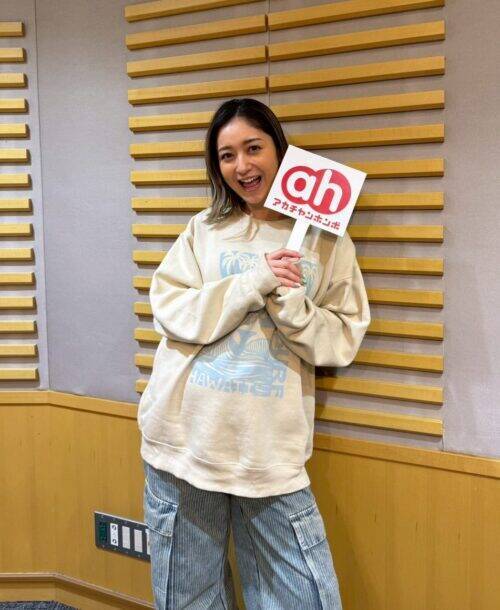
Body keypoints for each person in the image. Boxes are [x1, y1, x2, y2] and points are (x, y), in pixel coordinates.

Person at [138, 98, 370, 610]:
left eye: (253, 148)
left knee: (304, 598)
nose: (241, 165)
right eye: (226, 155)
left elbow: (342, 337)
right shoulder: (204, 228)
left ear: (278, 151)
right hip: (183, 440)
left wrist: (289, 304)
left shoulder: (326, 240)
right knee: (189, 599)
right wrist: (252, 282)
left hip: (268, 450)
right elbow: (171, 311)